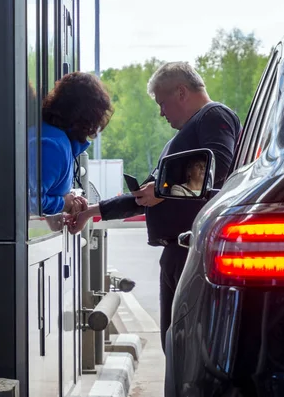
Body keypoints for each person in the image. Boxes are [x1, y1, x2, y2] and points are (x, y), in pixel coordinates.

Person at [66, 61, 241, 353]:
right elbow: (143, 197)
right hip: (178, 252)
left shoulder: (214, 115)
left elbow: (218, 167)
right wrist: (90, 212)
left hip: (193, 251)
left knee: (188, 347)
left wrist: (164, 190)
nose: (161, 112)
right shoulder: (181, 138)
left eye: (163, 103)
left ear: (181, 92)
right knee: (174, 343)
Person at [39, 71, 113, 216]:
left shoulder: (51, 136)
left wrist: (70, 198)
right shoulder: (53, 147)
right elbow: (29, 201)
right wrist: (63, 203)